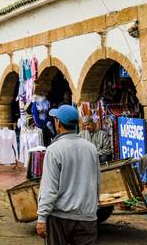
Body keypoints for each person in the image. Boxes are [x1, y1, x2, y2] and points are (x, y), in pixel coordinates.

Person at [36, 105, 100, 244]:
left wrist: (41, 218)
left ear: (58, 123)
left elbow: (49, 187)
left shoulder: (54, 150)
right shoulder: (91, 148)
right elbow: (96, 182)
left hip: (61, 218)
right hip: (87, 216)